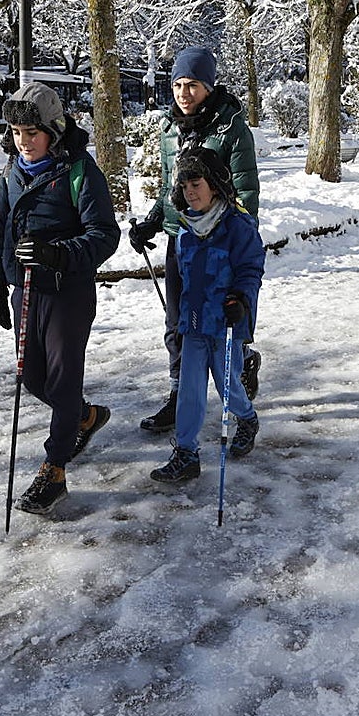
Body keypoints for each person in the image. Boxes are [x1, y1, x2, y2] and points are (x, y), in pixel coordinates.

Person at [0, 82, 120, 515]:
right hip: (26, 291)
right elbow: (1, 226)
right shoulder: (12, 172)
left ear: (53, 130)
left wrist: (58, 254)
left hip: (67, 292)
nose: (24, 142)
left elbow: (104, 235)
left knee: (62, 383)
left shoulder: (80, 170)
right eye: (17, 132)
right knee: (31, 378)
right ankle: (83, 416)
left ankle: (55, 468)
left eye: (32, 132)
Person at [128, 46, 261, 434]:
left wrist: (240, 235)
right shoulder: (169, 128)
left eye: (193, 86)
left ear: (209, 86)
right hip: (181, 239)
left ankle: (242, 361)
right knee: (179, 322)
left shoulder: (231, 127)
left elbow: (246, 189)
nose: (184, 94)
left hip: (220, 239)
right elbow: (171, 188)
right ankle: (178, 393)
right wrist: (153, 221)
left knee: (222, 321)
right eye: (178, 85)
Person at [150, 148, 266, 483]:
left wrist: (242, 298)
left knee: (227, 383)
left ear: (214, 184)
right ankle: (186, 452)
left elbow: (250, 268)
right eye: (184, 184)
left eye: (196, 182)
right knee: (189, 387)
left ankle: (246, 418)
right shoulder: (185, 229)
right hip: (195, 320)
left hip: (228, 320)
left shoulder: (237, 225)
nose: (190, 190)